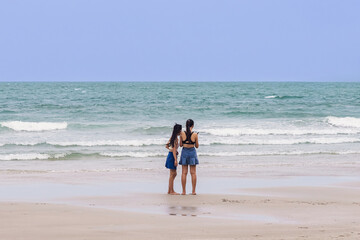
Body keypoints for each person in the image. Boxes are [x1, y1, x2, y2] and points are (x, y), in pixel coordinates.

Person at [179, 119, 199, 195]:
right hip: (192, 152)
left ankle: (183, 191)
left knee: (184, 173)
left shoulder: (182, 133)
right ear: (192, 125)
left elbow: (180, 145)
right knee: (193, 173)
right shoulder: (195, 134)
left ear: (186, 125)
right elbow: (197, 146)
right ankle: (193, 191)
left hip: (184, 152)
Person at [165, 123, 182, 195]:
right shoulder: (175, 139)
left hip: (171, 154)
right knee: (173, 174)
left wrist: (170, 149)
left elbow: (166, 145)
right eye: (180, 130)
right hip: (172, 156)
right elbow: (174, 149)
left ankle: (169, 190)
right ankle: (171, 191)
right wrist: (175, 159)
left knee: (173, 174)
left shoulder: (173, 137)